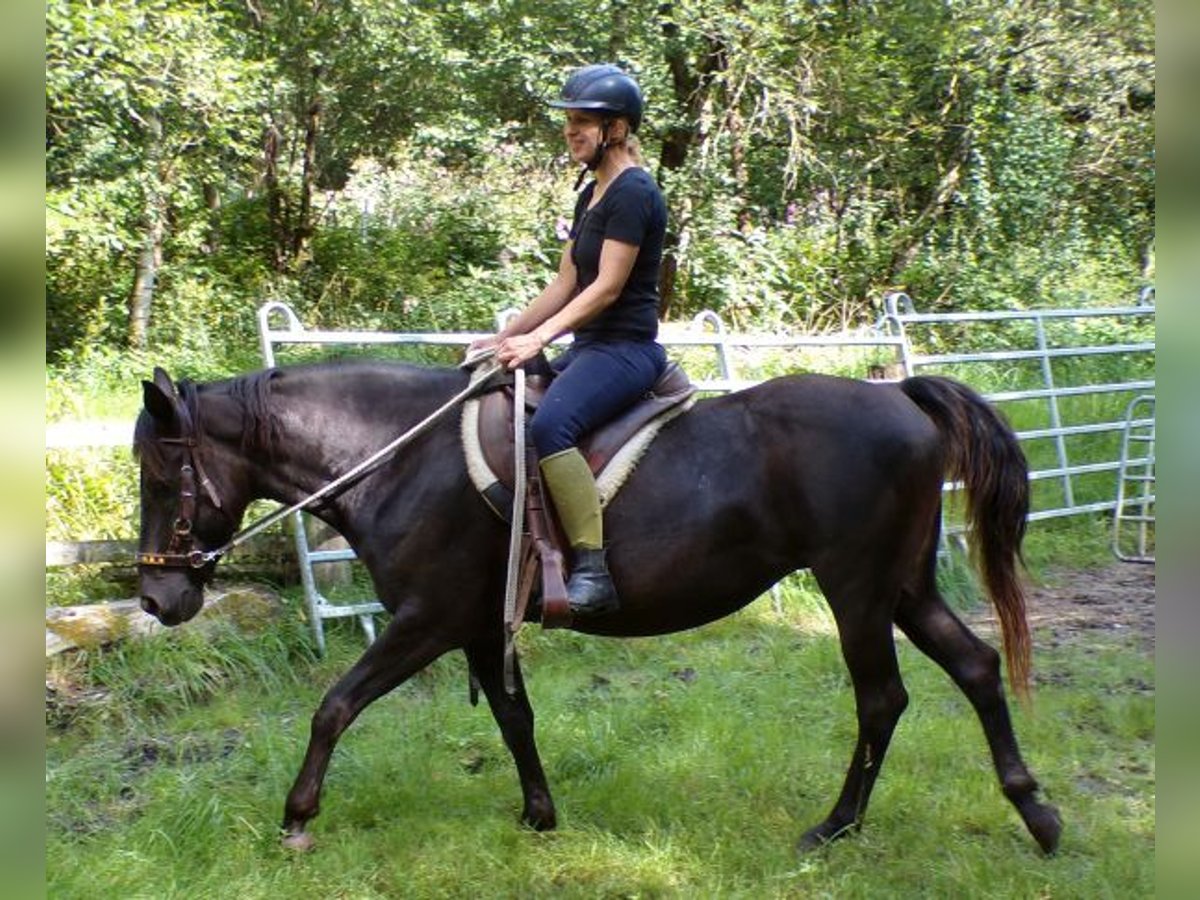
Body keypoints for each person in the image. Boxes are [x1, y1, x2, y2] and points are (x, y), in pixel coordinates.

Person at [469, 63, 669, 620]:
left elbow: (606, 288)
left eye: (584, 122)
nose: (571, 132)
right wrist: (505, 336)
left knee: (553, 426)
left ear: (619, 130)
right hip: (588, 346)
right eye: (569, 122)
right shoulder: (593, 195)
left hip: (626, 349)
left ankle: (594, 570)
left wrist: (538, 340)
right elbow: (566, 281)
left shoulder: (633, 191)